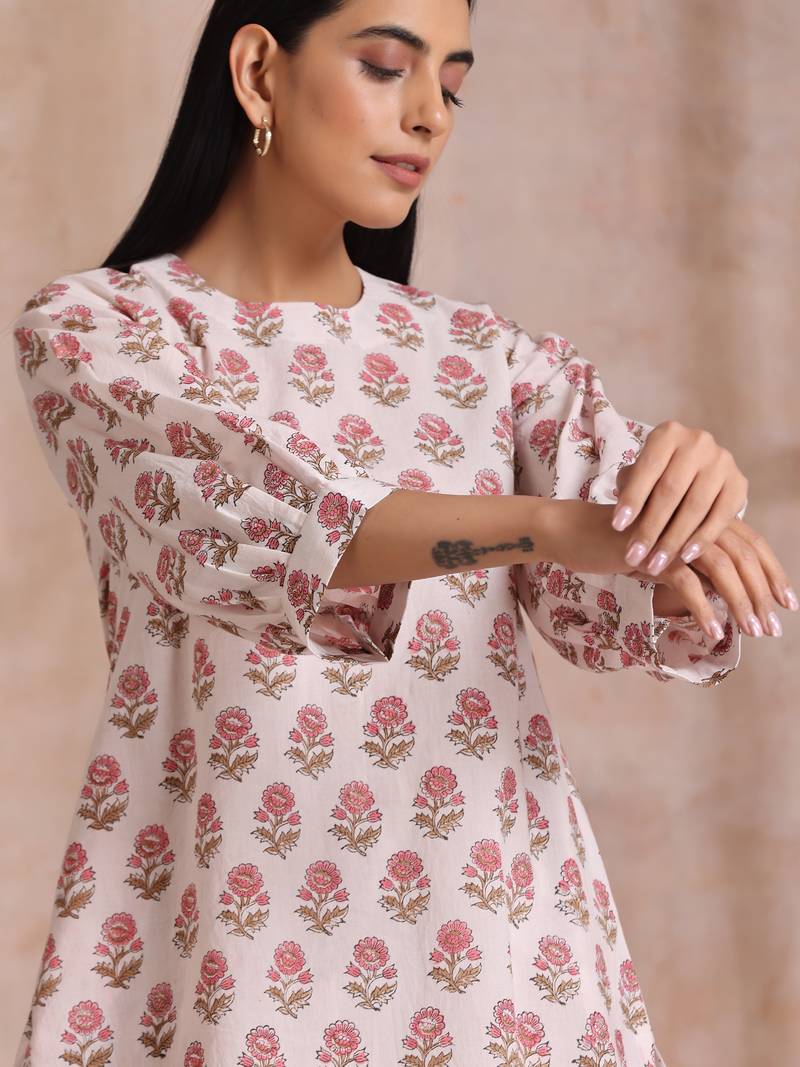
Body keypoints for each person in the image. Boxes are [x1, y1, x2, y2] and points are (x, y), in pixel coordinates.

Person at [10, 3, 796, 1065]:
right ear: (258, 71)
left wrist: (681, 515)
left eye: (453, 86)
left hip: (499, 948)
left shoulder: (493, 362)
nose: (430, 115)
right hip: (230, 939)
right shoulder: (103, 337)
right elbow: (272, 521)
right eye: (388, 67)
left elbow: (620, 593)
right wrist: (547, 524)